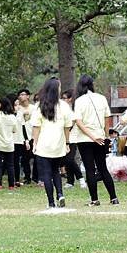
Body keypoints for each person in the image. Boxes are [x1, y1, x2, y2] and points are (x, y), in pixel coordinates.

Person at [70, 74, 119, 206]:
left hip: (85, 139)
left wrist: (91, 137)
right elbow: (107, 118)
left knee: (90, 169)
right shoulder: (101, 98)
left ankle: (94, 199)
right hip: (100, 137)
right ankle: (113, 198)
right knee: (103, 168)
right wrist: (104, 135)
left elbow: (79, 122)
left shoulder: (79, 101)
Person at [31, 78, 73, 209]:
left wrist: (34, 143)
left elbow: (36, 127)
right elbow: (67, 126)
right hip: (58, 144)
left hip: (44, 145)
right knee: (56, 171)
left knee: (46, 174)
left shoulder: (40, 106)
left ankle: (51, 202)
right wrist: (67, 143)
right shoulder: (64, 106)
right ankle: (60, 194)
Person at [0, 97, 18, 190]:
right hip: (9, 144)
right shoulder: (13, 117)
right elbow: (14, 130)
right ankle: (11, 185)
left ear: (1, 104)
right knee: (10, 165)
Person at [61, 88, 86, 189]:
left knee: (70, 159)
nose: (62, 100)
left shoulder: (74, 110)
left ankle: (80, 179)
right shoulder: (63, 110)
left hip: (73, 138)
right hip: (64, 138)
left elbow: (70, 125)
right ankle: (70, 181)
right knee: (67, 160)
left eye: (64, 98)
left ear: (70, 99)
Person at [17, 88, 37, 184]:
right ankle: (27, 177)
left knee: (36, 157)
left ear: (28, 96)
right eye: (20, 95)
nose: (21, 96)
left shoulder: (34, 108)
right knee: (25, 159)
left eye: (23, 94)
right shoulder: (18, 109)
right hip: (22, 137)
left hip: (33, 135)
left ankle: (36, 177)